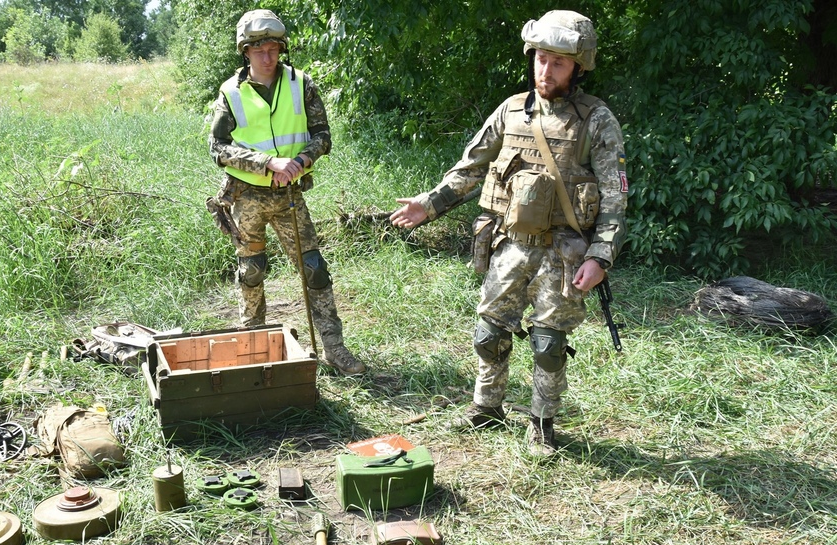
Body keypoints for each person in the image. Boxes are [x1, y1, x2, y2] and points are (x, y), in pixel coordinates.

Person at [390, 10, 628, 456]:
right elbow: (471, 167)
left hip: (564, 253)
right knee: (489, 332)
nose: (546, 70)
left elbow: (615, 197)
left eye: (558, 62)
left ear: (578, 66)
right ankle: (487, 407)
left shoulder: (596, 121)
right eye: (541, 58)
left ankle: (542, 422)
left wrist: (600, 256)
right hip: (511, 245)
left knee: (548, 344)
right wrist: (430, 203)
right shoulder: (511, 110)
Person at [207, 9, 366, 376]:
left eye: (274, 48)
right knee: (251, 271)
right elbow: (218, 147)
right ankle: (254, 347)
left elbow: (322, 135)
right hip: (246, 196)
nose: (267, 56)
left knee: (315, 271)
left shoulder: (301, 83)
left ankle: (335, 349)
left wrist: (299, 160)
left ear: (281, 49)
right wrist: (266, 162)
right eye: (258, 48)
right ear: (245, 51)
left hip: (290, 194)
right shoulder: (231, 92)